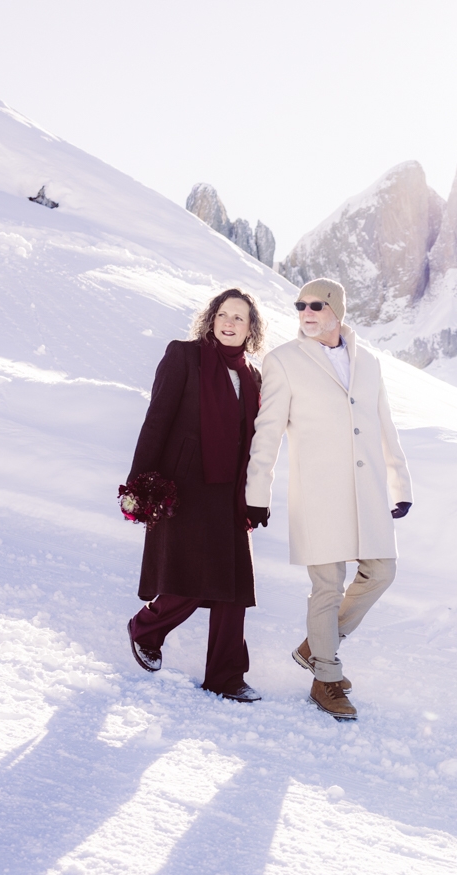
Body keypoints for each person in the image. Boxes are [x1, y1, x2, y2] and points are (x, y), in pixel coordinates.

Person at [245, 278, 412, 720]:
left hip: (368, 489)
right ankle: (327, 678)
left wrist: (400, 484)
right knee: (326, 586)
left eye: (316, 305)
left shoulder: (369, 361)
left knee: (382, 572)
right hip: (318, 493)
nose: (306, 313)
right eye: (300, 306)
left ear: (337, 310)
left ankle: (318, 646)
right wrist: (256, 494)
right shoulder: (282, 361)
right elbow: (268, 432)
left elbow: (384, 426)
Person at [124, 288, 265, 702]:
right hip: (185, 485)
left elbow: (255, 441)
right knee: (191, 578)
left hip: (232, 492)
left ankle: (226, 675)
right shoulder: (183, 356)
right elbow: (157, 419)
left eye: (239, 317)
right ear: (211, 318)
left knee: (234, 586)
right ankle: (146, 629)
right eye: (223, 314)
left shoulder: (252, 376)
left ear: (251, 328)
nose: (229, 322)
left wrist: (257, 494)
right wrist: (140, 483)